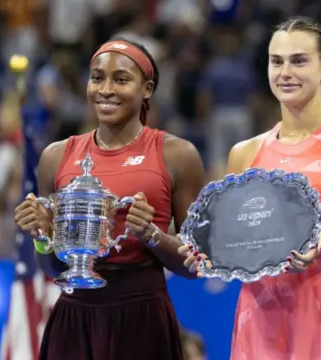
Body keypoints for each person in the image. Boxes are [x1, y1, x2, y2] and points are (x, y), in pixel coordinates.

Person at [179, 17, 321, 359]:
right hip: (261, 316)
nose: (285, 72)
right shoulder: (244, 153)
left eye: (299, 61)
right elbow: (237, 243)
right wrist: (208, 251)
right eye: (276, 61)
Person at [14, 38, 206, 360]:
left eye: (121, 79)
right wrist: (42, 237)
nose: (105, 89)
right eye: (97, 77)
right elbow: (52, 267)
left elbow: (195, 264)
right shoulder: (56, 156)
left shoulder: (178, 155)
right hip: (74, 320)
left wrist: (152, 236)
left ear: (147, 89)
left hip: (143, 321)